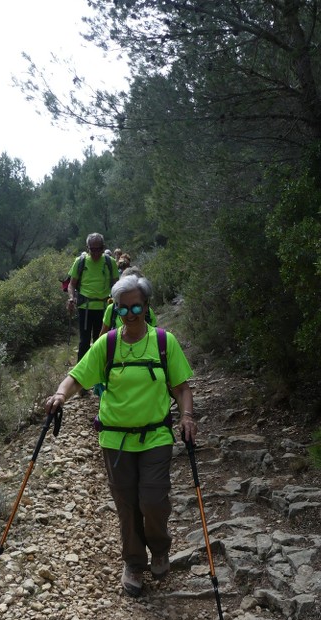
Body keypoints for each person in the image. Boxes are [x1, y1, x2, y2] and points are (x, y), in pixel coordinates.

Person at [47, 273, 197, 597]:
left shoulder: (163, 342)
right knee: (126, 505)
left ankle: (159, 548)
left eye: (136, 308)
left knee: (153, 501)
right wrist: (60, 395)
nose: (130, 315)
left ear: (146, 307)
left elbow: (182, 387)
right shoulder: (108, 344)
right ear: (116, 311)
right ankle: (133, 562)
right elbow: (76, 377)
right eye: (123, 309)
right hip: (115, 440)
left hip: (155, 436)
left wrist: (186, 416)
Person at [67, 233, 120, 364]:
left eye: (99, 249)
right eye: (92, 249)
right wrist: (71, 298)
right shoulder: (80, 261)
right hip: (85, 307)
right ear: (87, 248)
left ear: (103, 247)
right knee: (84, 341)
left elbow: (117, 284)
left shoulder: (110, 262)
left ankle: (99, 373)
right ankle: (80, 376)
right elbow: (72, 284)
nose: (96, 252)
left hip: (104, 308)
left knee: (100, 340)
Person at [99, 266, 157, 337]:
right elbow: (102, 335)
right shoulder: (112, 310)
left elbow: (155, 334)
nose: (130, 315)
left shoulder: (148, 312)